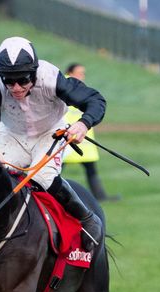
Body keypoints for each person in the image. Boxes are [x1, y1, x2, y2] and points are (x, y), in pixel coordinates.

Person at [0, 36, 106, 252]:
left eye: (23, 80)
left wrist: (84, 124)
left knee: (42, 177)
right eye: (9, 81)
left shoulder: (51, 76)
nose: (16, 88)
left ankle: (87, 218)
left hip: (49, 132)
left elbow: (95, 100)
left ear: (34, 72)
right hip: (11, 134)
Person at [62, 63, 119, 201]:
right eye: (79, 73)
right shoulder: (63, 88)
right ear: (69, 72)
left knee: (91, 170)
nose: (82, 76)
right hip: (66, 139)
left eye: (83, 73)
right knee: (53, 171)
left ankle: (100, 196)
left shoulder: (79, 90)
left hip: (81, 140)